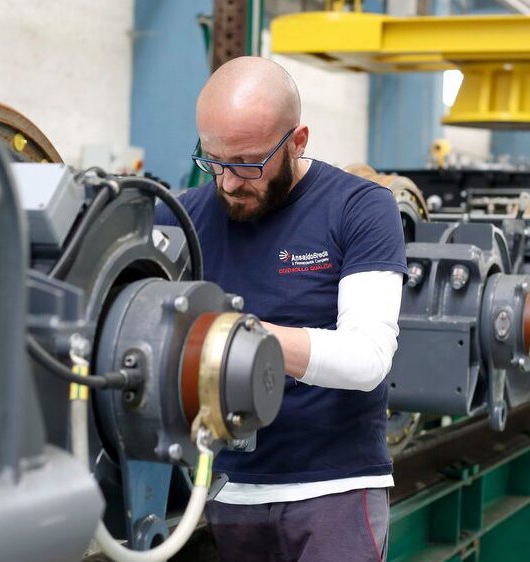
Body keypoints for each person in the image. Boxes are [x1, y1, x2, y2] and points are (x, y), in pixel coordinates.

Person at [154, 56, 406, 562]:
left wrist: (232, 337)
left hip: (332, 490)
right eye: (213, 160)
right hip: (218, 491)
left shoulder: (360, 208)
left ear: (298, 140)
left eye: (247, 163)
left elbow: (368, 357)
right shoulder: (181, 217)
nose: (227, 182)